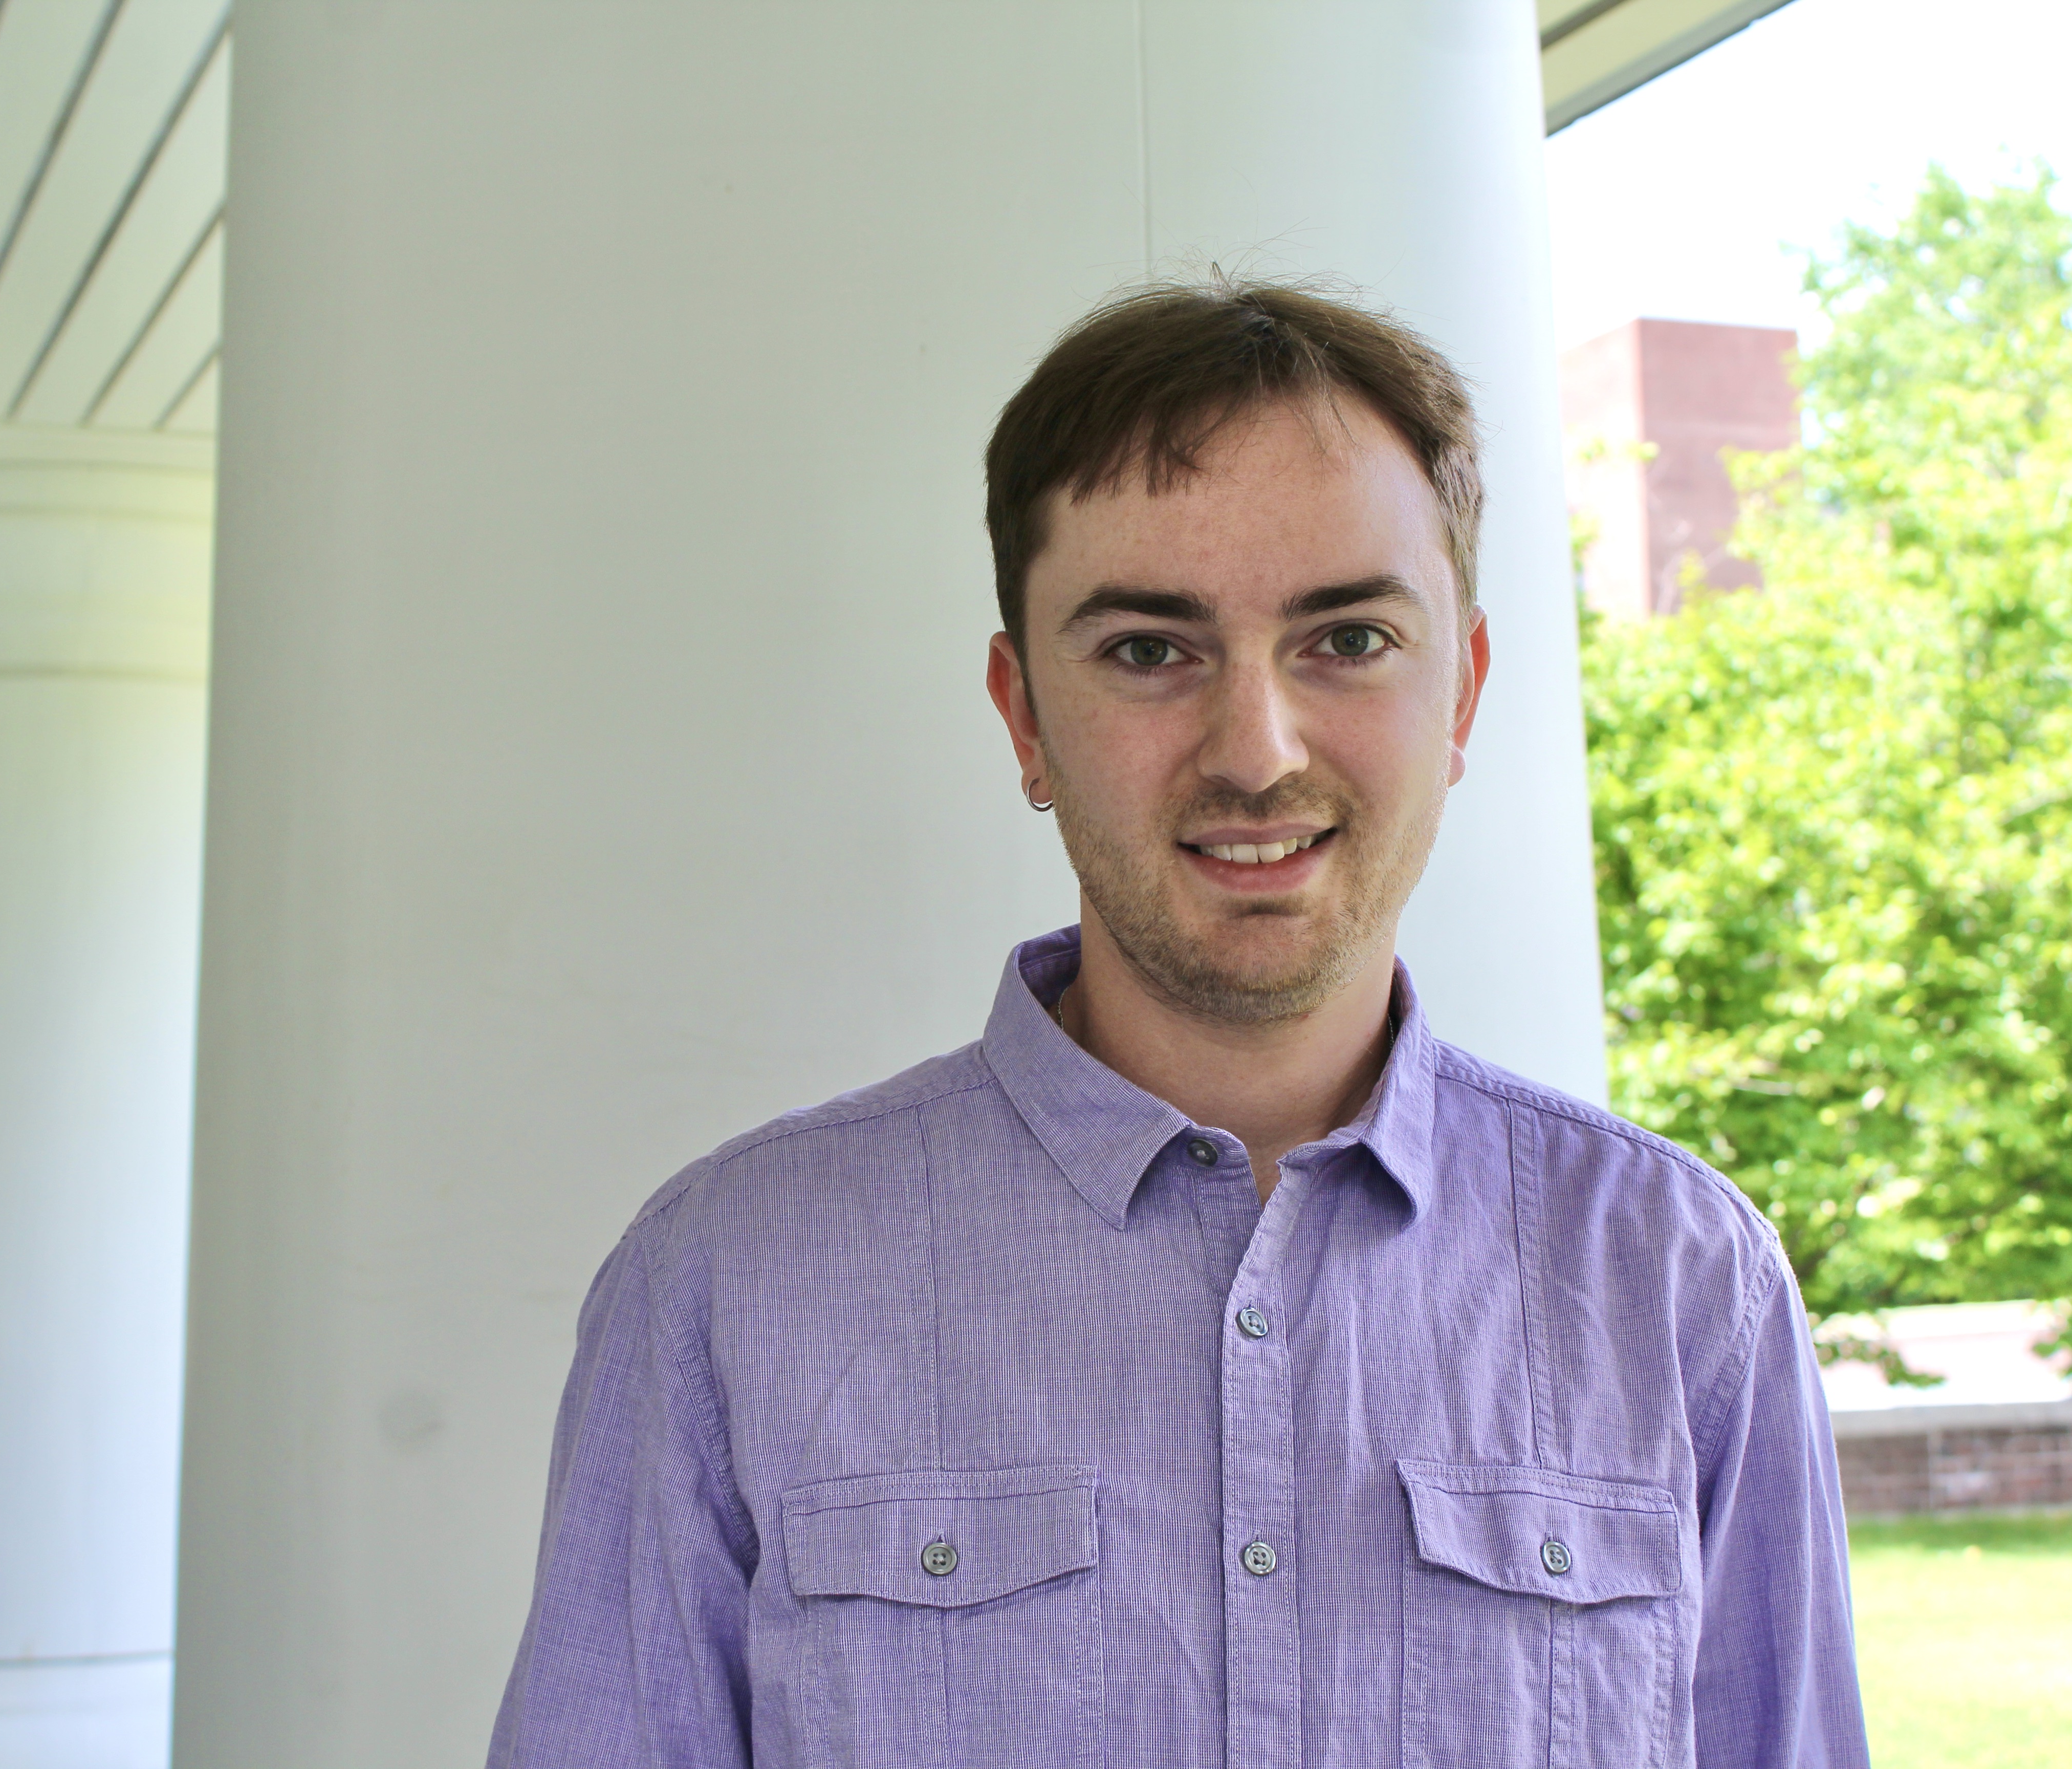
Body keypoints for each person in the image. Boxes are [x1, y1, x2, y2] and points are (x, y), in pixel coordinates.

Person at [487, 279, 1868, 1768]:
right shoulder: (722, 1285)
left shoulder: (1679, 1280)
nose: (1256, 751)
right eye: (1152, 649)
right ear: (1025, 717)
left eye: (1345, 639)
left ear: (1461, 692)